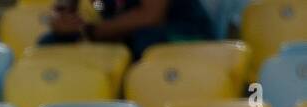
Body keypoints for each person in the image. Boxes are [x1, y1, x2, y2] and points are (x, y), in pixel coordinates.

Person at [41, 0, 213, 60]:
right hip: (119, 34)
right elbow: (63, 8)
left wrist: (92, 31)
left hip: (180, 34)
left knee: (145, 40)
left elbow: (151, 16)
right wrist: (60, 21)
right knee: (50, 42)